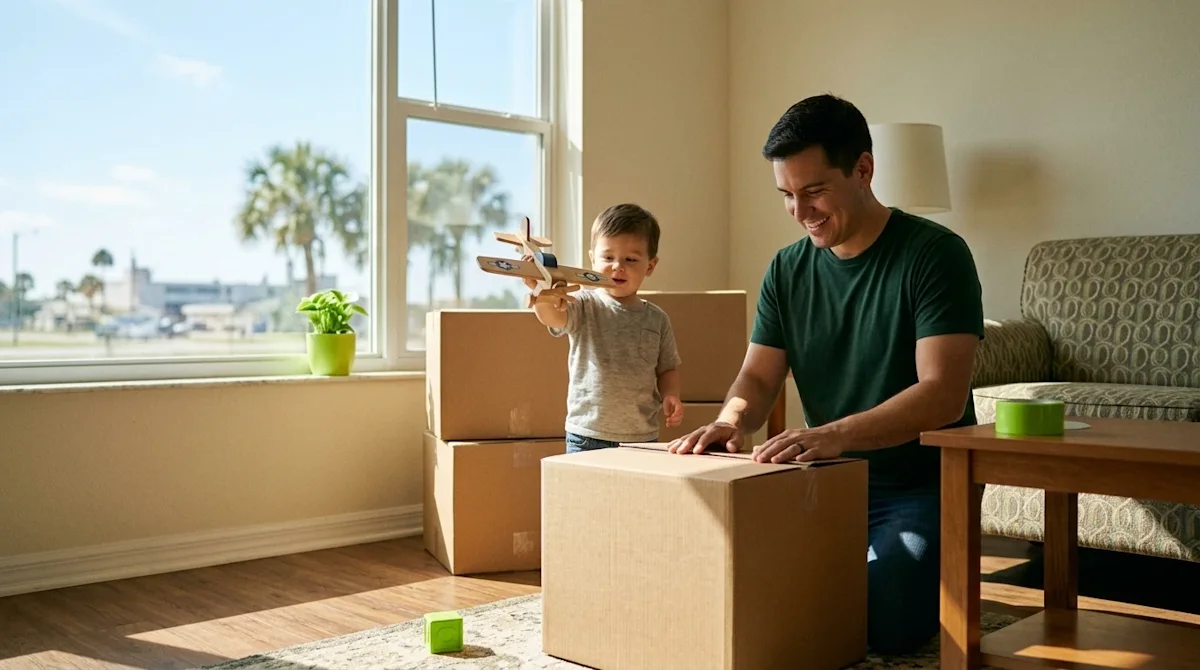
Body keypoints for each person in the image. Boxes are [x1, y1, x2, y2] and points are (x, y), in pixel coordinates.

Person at [668, 94, 984, 655]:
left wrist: (829, 435)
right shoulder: (786, 270)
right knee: (710, 576)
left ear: (863, 169)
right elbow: (759, 379)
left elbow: (941, 394)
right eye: (786, 195)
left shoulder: (937, 255)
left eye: (813, 191)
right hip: (822, 482)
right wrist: (731, 420)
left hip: (921, 486)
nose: (800, 211)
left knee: (882, 619)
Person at [526, 203, 684, 453]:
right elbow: (553, 318)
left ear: (650, 266)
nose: (617, 267)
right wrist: (541, 294)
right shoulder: (585, 304)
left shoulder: (657, 319)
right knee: (580, 494)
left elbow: (667, 368)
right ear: (592, 259)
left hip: (641, 437)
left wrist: (671, 395)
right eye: (608, 257)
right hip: (586, 434)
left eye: (630, 259)